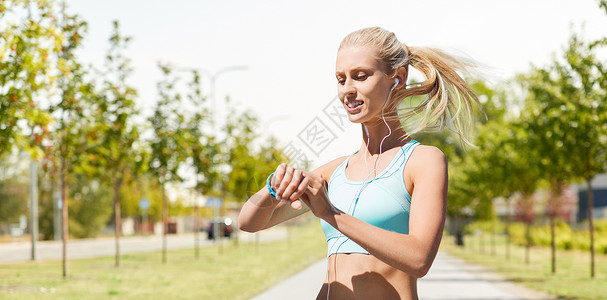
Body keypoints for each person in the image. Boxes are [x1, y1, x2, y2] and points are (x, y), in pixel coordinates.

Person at [238, 26, 480, 300]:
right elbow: (249, 222)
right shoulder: (335, 170)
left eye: (360, 76)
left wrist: (331, 214)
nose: (347, 90)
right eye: (341, 80)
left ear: (397, 78)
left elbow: (419, 259)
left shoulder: (423, 161)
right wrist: (273, 189)